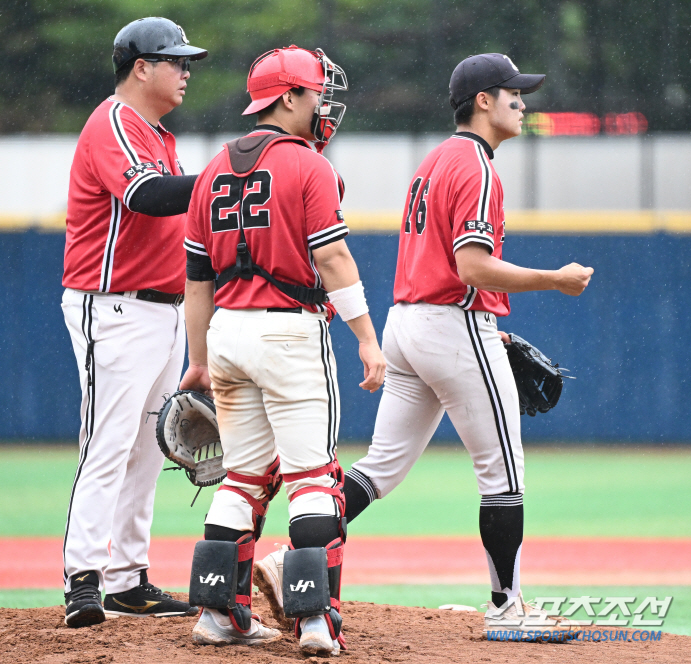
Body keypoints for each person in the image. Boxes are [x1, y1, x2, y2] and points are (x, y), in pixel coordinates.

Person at [255, 53, 593, 634]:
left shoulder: (436, 160)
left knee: (378, 469)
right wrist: (554, 280)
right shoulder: (478, 166)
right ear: (483, 101)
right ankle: (507, 608)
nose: (523, 103)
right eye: (514, 93)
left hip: (409, 324)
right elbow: (472, 268)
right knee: (502, 473)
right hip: (451, 323)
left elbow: (448, 267)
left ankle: (293, 562)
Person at [179, 45, 386, 655]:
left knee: (242, 476)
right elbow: (332, 256)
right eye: (317, 91)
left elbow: (197, 283)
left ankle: (218, 614)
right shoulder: (308, 165)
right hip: (289, 332)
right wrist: (368, 339)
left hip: (227, 335)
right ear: (289, 97)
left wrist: (197, 360)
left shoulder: (212, 168)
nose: (323, 103)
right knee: (313, 476)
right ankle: (316, 622)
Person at [61, 17, 207, 628]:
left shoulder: (158, 133)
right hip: (113, 305)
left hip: (162, 308)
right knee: (109, 442)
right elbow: (145, 195)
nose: (186, 72)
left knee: (148, 446)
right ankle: (83, 578)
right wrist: (227, 179)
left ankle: (127, 580)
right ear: (140, 67)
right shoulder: (114, 122)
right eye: (174, 61)